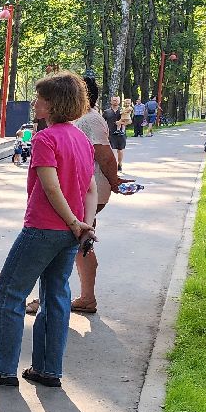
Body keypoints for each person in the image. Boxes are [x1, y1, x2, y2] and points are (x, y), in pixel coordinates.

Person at [0, 72, 97, 389]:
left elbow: (51, 188)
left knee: (9, 293)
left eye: (40, 97)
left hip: (43, 227)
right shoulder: (80, 139)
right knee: (55, 296)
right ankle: (48, 369)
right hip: (71, 233)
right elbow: (91, 188)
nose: (35, 102)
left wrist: (71, 221)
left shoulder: (45, 138)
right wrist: (85, 225)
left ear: (52, 104)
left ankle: (2, 368)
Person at [25, 76, 135, 317]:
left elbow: (105, 156)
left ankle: (79, 297)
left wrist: (115, 182)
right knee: (78, 243)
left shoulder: (89, 121)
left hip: (79, 195)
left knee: (78, 243)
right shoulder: (79, 124)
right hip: (81, 193)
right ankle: (69, 297)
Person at [104, 94, 126, 167]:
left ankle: (119, 164)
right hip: (110, 133)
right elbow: (103, 123)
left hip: (121, 134)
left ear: (119, 101)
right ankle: (112, 165)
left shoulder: (123, 111)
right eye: (114, 100)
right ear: (111, 101)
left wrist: (121, 123)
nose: (115, 101)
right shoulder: (106, 112)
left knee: (120, 150)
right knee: (111, 150)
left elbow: (128, 121)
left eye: (117, 100)